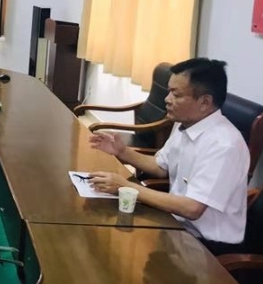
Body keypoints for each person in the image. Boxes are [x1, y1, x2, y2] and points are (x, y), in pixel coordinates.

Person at [89, 58, 249, 249]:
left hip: (207, 245)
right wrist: (122, 151)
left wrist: (126, 186)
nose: (167, 99)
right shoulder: (187, 124)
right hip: (177, 226)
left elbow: (192, 208)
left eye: (176, 94)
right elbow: (160, 166)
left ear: (205, 102)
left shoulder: (224, 145)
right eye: (169, 91)